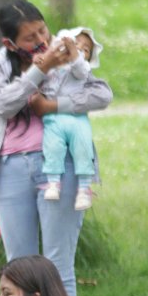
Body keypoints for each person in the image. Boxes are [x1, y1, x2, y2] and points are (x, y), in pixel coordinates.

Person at [0, 0, 113, 296]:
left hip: (62, 164)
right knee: (19, 267)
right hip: (11, 167)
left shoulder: (65, 51)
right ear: (10, 44)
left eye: (43, 30)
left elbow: (101, 94)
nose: (41, 40)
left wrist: (53, 106)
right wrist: (40, 70)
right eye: (30, 37)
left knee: (58, 265)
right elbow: (1, 103)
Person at [40, 28, 104, 211]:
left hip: (77, 118)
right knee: (52, 147)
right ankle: (53, 183)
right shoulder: (54, 66)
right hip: (53, 117)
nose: (80, 49)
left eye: (86, 49)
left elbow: (80, 69)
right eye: (76, 43)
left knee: (83, 148)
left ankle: (84, 189)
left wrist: (74, 51)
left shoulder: (82, 68)